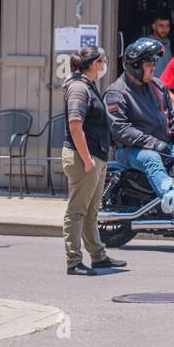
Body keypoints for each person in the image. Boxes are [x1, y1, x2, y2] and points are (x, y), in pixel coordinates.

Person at [61, 46, 125, 277]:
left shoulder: (87, 85)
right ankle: (74, 261)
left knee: (91, 211)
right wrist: (87, 160)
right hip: (83, 158)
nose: (105, 65)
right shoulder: (79, 87)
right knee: (77, 211)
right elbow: (75, 125)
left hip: (95, 156)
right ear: (95, 64)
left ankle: (98, 256)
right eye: (103, 61)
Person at [105, 37, 174, 215]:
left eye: (154, 62)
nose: (154, 67)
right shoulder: (117, 92)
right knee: (151, 158)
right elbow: (121, 130)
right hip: (130, 151)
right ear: (135, 66)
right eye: (149, 63)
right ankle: (173, 201)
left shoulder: (158, 86)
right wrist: (154, 144)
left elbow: (173, 116)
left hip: (162, 146)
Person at [150, 13, 174, 77]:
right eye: (161, 25)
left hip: (165, 85)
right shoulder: (148, 44)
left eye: (167, 26)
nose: (164, 29)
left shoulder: (167, 42)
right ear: (154, 26)